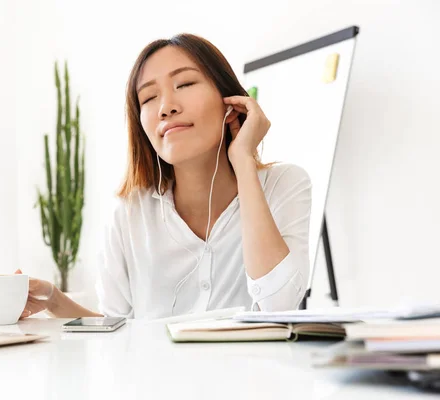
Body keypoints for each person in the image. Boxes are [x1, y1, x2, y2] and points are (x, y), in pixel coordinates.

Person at [17, 33, 312, 320]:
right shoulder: (130, 214)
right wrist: (54, 300)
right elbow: (113, 329)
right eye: (149, 97)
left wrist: (244, 161)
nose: (165, 107)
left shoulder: (285, 185)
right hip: (152, 372)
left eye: (184, 83)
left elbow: (280, 305)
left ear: (230, 103)